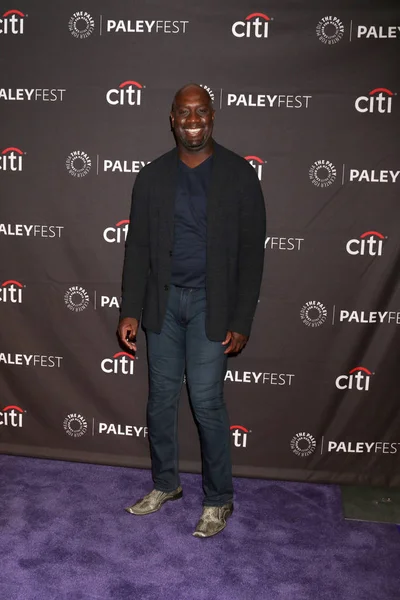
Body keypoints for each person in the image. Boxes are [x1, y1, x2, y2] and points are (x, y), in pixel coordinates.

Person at [117, 83, 266, 538]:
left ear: (212, 116)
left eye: (201, 112)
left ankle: (219, 499)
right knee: (160, 399)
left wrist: (240, 320)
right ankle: (166, 484)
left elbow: (252, 254)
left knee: (205, 399)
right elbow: (137, 247)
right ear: (172, 118)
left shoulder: (239, 174)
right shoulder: (152, 176)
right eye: (185, 113)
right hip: (162, 304)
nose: (193, 120)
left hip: (211, 306)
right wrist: (129, 309)